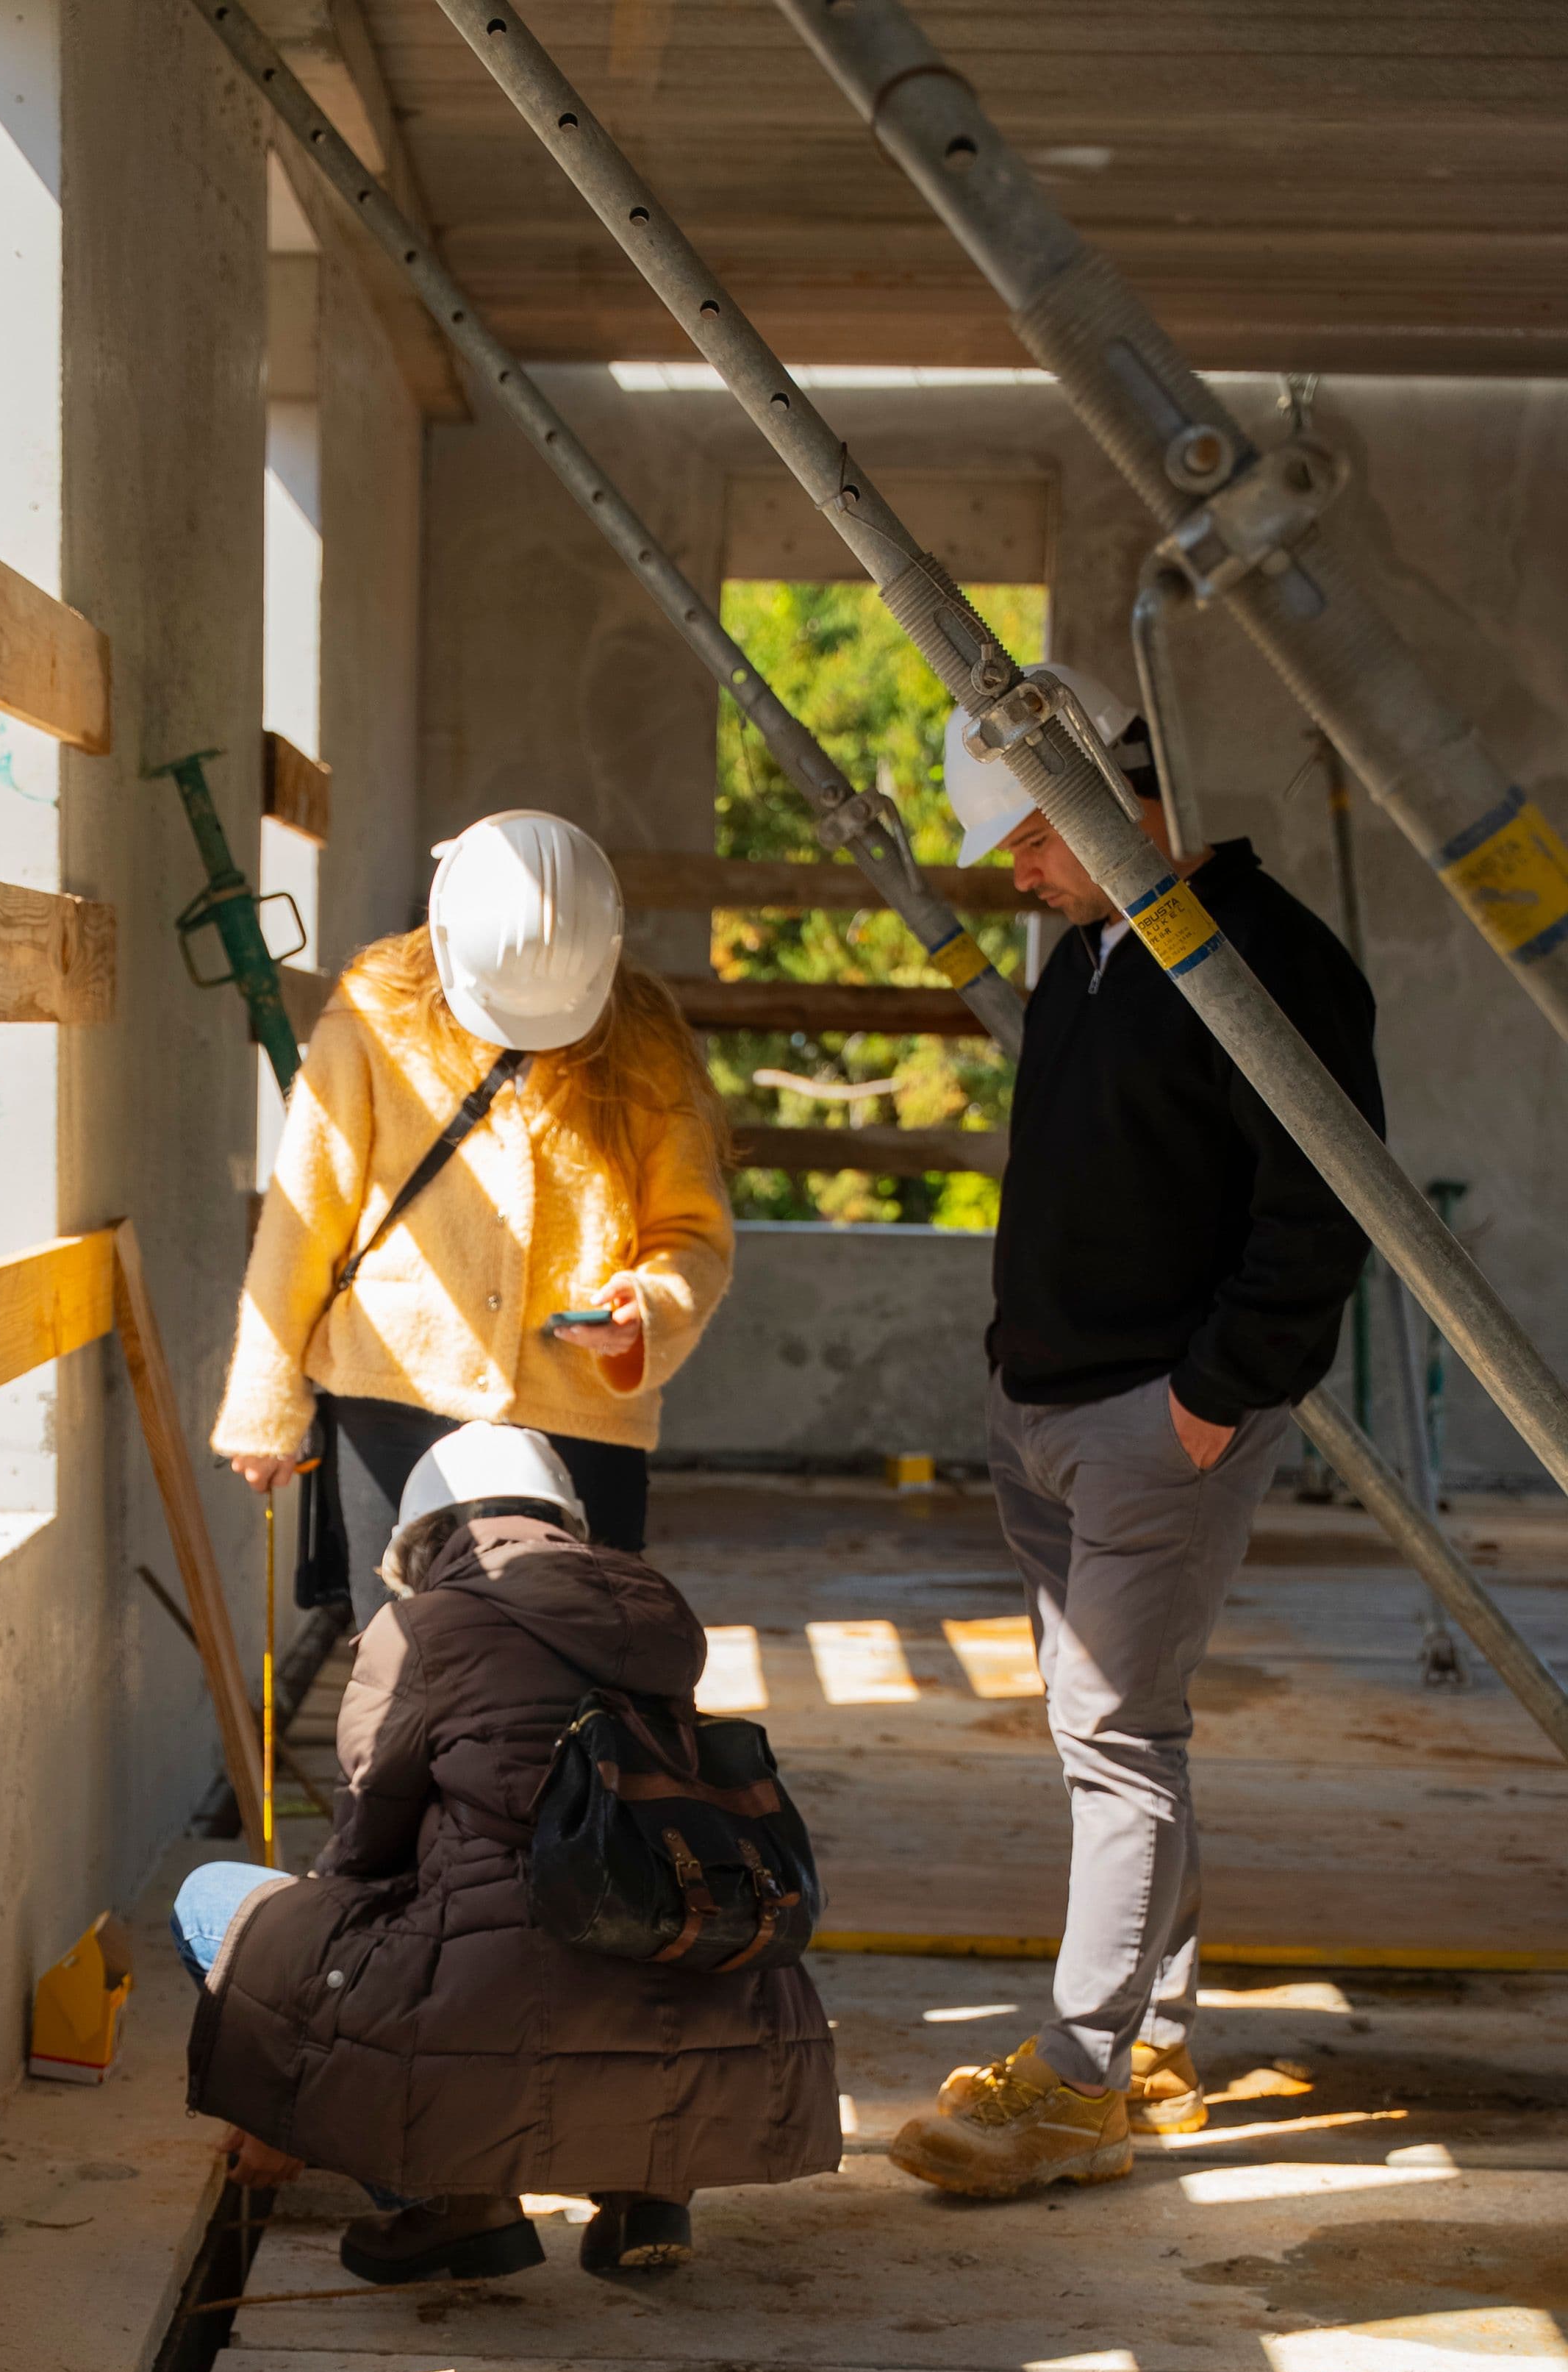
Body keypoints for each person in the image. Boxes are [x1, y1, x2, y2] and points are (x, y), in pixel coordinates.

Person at [888, 668, 1383, 2201]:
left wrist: (1215, 1393)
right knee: (1118, 1738)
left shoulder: (1270, 961)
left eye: (1032, 834)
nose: (1013, 870)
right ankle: (1152, 2042)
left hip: (1152, 1417)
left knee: (1114, 1737)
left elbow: (1323, 1209)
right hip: (1045, 1406)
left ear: (1118, 796)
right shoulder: (1097, 952)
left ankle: (1084, 2073)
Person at [173, 1423, 840, 2283]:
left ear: (419, 1541)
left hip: (487, 2002)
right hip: (697, 1975)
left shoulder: (418, 1628)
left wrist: (280, 2056)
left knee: (214, 1900)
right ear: (565, 1523)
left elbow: (366, 1841)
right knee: (609, 1931)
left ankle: (458, 2204)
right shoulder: (657, 1616)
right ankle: (648, 2186)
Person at [212, 810, 734, 1623]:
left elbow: (693, 1234)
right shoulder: (372, 1012)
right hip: (391, 1398)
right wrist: (266, 1404)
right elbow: (303, 1215)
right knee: (402, 1668)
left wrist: (649, 1308)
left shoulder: (646, 1042)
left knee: (581, 1670)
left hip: (581, 1414)